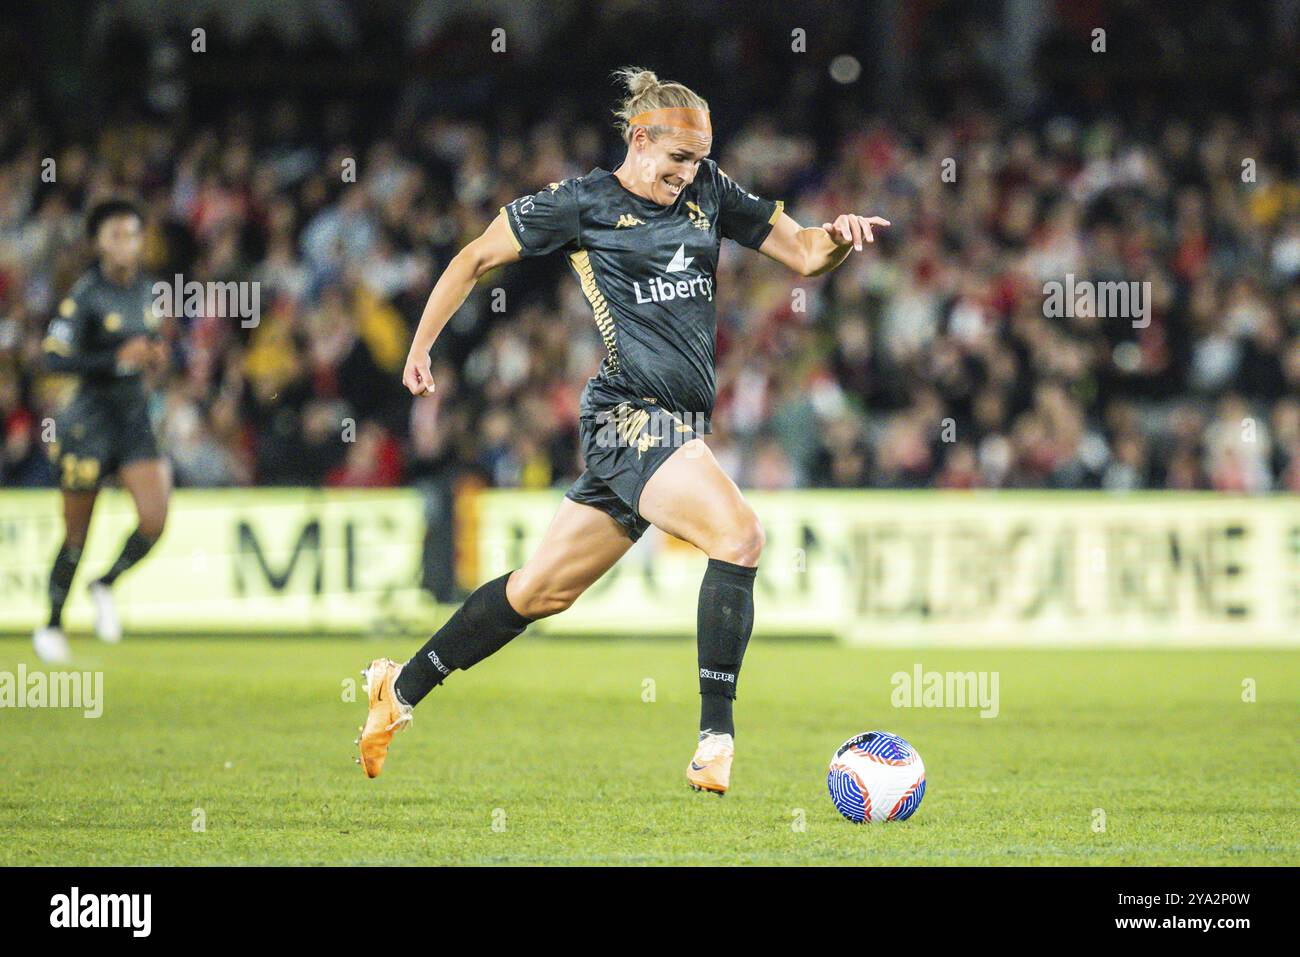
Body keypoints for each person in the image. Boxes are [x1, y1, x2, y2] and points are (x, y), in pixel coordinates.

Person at [357, 68, 888, 794]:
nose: (688, 174)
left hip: (675, 423)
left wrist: (841, 239)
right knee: (740, 536)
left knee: (538, 592)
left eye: (698, 160)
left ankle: (401, 688)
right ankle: (715, 736)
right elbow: (474, 257)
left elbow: (804, 254)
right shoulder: (582, 204)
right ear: (639, 140)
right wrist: (421, 346)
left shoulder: (710, 193)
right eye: (677, 159)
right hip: (627, 413)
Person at [33, 198, 170, 662]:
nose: (127, 243)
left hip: (133, 417)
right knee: (77, 533)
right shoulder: (85, 294)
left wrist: (153, 358)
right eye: (116, 235)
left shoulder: (149, 290)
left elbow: (146, 346)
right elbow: (52, 357)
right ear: (98, 243)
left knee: (154, 519)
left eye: (133, 234)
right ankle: (51, 624)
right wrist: (114, 361)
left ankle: (105, 584)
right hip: (89, 422)